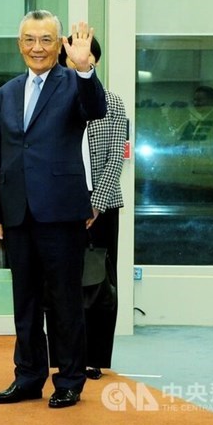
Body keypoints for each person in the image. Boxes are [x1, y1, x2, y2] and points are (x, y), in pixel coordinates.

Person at [0, 10, 106, 409]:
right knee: (26, 301)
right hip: (16, 211)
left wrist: (86, 69)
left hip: (61, 210)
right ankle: (29, 376)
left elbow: (96, 109)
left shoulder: (74, 83)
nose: (37, 47)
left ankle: (69, 379)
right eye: (30, 40)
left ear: (60, 45)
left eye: (46, 40)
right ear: (19, 44)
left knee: (66, 300)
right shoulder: (5, 94)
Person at [58, 36, 127, 380]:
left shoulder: (113, 103)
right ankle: (63, 354)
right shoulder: (52, 102)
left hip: (102, 204)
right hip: (60, 204)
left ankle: (93, 357)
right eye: (70, 59)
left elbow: (116, 157)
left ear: (94, 62)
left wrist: (96, 203)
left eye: (84, 59)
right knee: (62, 282)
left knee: (98, 284)